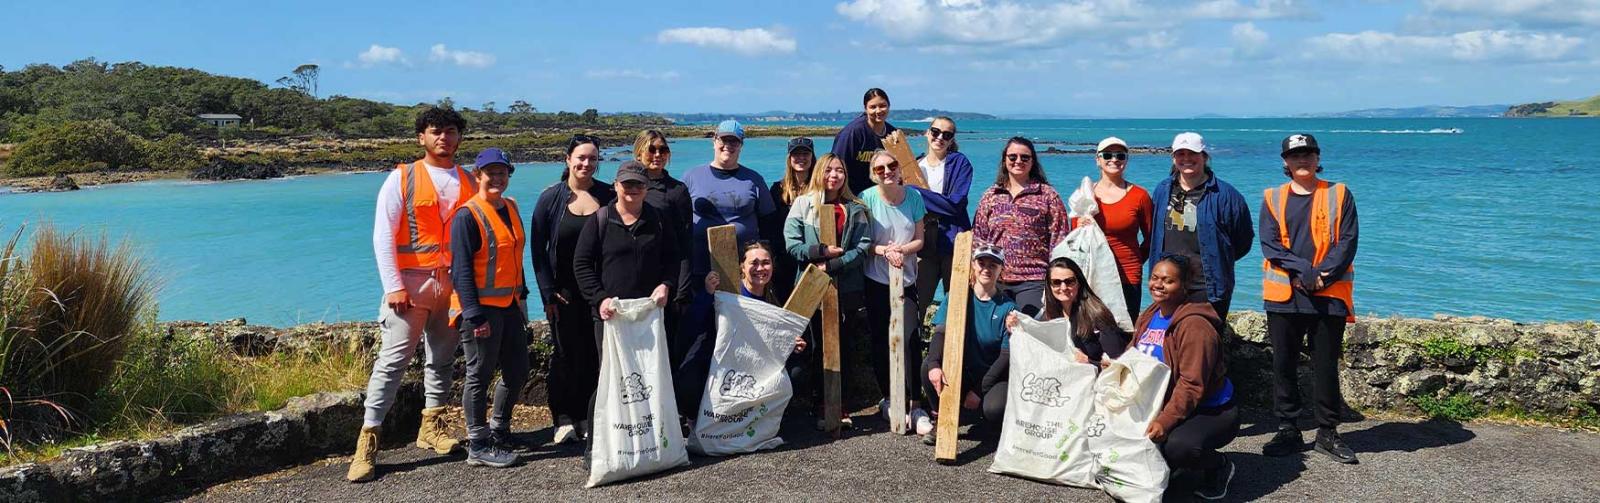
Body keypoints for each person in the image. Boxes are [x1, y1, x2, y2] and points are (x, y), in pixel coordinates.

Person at [349, 107, 474, 483]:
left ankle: (431, 426)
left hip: (451, 286)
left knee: (442, 360)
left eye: (450, 131)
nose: (444, 138)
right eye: (436, 131)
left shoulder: (468, 180)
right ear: (422, 137)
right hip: (411, 284)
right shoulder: (402, 178)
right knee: (392, 362)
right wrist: (393, 286)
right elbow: (383, 234)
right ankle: (368, 440)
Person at [1259, 134, 1360, 464]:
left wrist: (1323, 275)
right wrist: (1304, 270)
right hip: (1284, 296)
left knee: (1326, 367)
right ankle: (1288, 427)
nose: (1302, 159)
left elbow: (1347, 242)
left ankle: (1327, 432)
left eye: (1308, 153)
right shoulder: (1272, 198)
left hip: (1328, 296)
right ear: (1285, 162)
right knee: (1283, 365)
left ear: (1318, 158)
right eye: (1295, 155)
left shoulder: (1339, 193)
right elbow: (1271, 245)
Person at [447, 148, 530, 468]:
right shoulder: (467, 215)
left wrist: (522, 296)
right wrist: (474, 314)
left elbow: (514, 257)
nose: (497, 178)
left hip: (509, 304)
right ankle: (478, 443)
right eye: (490, 172)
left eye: (502, 172)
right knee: (479, 374)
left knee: (518, 369)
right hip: (481, 308)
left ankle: (499, 429)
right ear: (477, 175)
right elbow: (461, 270)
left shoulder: (510, 206)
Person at [529, 134, 615, 445]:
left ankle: (588, 415)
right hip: (561, 293)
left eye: (592, 158)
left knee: (596, 354)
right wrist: (547, 292)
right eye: (580, 158)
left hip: (597, 291)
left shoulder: (608, 196)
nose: (586, 164)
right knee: (564, 355)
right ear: (568, 160)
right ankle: (563, 417)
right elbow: (538, 250)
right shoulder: (550, 198)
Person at [1133, 254, 1238, 501]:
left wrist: (1165, 422)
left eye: (1168, 281)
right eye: (1155, 278)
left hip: (1210, 410)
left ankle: (1218, 465)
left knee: (1177, 447)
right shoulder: (1150, 314)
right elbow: (1134, 356)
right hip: (1164, 400)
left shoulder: (1195, 327)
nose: (1158, 285)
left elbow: (1191, 385)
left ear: (1184, 286)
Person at [783, 153, 873, 429]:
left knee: (842, 345)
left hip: (845, 286)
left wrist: (833, 264)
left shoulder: (855, 208)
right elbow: (791, 243)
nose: (834, 176)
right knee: (812, 347)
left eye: (840, 171)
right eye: (829, 170)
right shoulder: (803, 204)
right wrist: (818, 253)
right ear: (819, 172)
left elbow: (863, 246)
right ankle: (816, 402)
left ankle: (838, 403)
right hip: (810, 285)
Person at [677, 241, 811, 426]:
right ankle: (698, 420)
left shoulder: (777, 296)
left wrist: (791, 344)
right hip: (722, 358)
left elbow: (775, 336)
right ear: (742, 266)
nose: (760, 268)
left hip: (756, 361)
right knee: (689, 382)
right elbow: (693, 323)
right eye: (753, 263)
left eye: (765, 263)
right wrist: (707, 294)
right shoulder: (726, 291)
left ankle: (762, 420)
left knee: (795, 372)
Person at [1146, 132, 1253, 323]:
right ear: (1174, 157)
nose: (1186, 159)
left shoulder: (1226, 195)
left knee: (1205, 345)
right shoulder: (1162, 190)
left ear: (1204, 156)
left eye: (1192, 153)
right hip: (1167, 284)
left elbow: (1243, 241)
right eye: (1181, 154)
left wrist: (1219, 258)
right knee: (1168, 344)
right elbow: (1153, 231)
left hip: (1207, 287)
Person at [859, 150, 928, 432]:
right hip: (876, 278)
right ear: (873, 174)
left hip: (907, 279)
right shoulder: (866, 198)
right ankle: (888, 398)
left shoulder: (914, 197)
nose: (887, 171)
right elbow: (863, 242)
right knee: (881, 339)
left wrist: (902, 250)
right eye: (880, 168)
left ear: (900, 169)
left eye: (892, 165)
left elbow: (920, 239)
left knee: (911, 337)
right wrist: (884, 251)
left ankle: (915, 404)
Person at [920, 245, 1015, 445]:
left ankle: (981, 419)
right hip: (962, 371)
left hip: (991, 375)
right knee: (928, 366)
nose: (986, 269)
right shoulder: (956, 296)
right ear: (973, 265)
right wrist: (935, 365)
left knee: (994, 409)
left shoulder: (1008, 307)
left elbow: (1005, 356)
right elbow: (940, 333)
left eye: (993, 265)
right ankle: (943, 418)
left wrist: (979, 391)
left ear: (1001, 270)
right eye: (981, 263)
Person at [972, 136, 1070, 317]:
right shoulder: (990, 195)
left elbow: (1060, 239)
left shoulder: (1047, 195)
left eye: (1025, 157)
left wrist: (1055, 279)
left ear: (1033, 161)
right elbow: (978, 238)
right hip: (995, 279)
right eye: (1012, 157)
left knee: (1029, 334)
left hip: (1034, 280)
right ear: (1004, 160)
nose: (1018, 161)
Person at [1070, 137, 1154, 320]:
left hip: (1127, 275)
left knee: (1124, 333)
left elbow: (1151, 238)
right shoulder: (1084, 194)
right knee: (1091, 333)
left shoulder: (1140, 196)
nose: (1114, 159)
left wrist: (1136, 261)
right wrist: (1079, 225)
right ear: (1098, 160)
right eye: (1107, 155)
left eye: (1120, 155)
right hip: (1092, 274)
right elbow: (1073, 238)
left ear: (1126, 160)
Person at [633, 129, 694, 373]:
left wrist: (683, 286)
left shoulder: (677, 190)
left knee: (668, 348)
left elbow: (685, 240)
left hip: (669, 280)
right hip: (635, 278)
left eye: (663, 150)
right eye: (652, 149)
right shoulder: (628, 186)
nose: (657, 154)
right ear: (639, 153)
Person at [1003, 256, 1129, 365]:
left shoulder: (1097, 314)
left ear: (1079, 283)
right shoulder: (1047, 315)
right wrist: (1014, 329)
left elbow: (1117, 363)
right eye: (1056, 282)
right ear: (1049, 286)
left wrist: (1089, 362)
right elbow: (1033, 346)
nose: (1063, 287)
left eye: (1069, 281)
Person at [912, 116, 974, 321]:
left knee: (957, 308)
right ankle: (914, 351)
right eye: (935, 132)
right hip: (924, 245)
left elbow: (955, 204)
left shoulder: (960, 163)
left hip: (954, 245)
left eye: (947, 135)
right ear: (927, 133)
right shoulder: (914, 165)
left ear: (952, 139)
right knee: (916, 305)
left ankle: (956, 353)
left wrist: (916, 193)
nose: (940, 138)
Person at [762, 137, 816, 301]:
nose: (801, 158)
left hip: (812, 255)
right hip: (784, 259)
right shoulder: (777, 189)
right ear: (789, 158)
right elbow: (770, 226)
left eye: (805, 153)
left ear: (812, 157)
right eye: (796, 154)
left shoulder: (820, 188)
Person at [831, 88, 897, 195]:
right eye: (873, 107)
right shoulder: (852, 133)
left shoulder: (893, 134)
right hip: (853, 196)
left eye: (882, 106)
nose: (878, 111)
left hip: (883, 196)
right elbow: (835, 165)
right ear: (865, 109)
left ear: (889, 106)